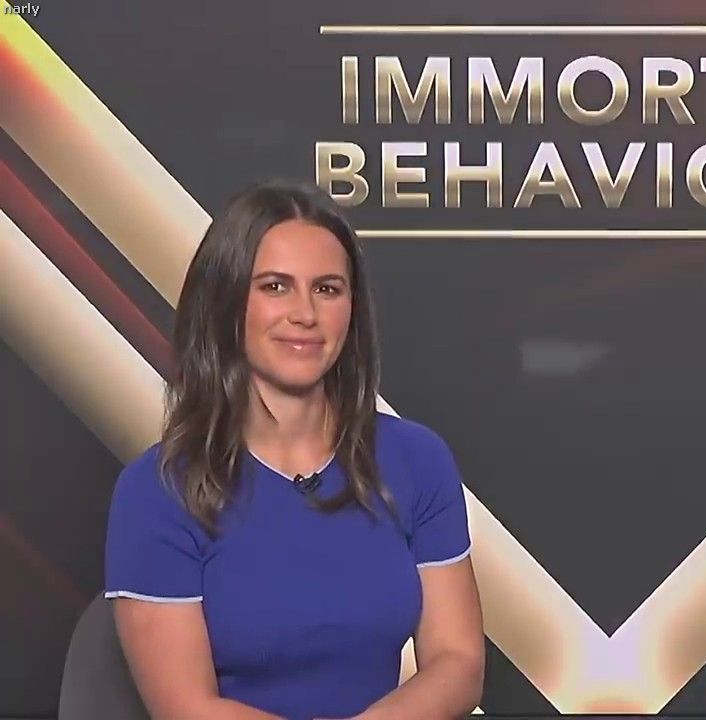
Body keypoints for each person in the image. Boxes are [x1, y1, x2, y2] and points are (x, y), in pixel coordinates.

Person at [104, 181, 485, 720]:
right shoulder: (158, 491)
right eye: (275, 286)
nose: (305, 313)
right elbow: (188, 708)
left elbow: (458, 663)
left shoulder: (417, 461)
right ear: (226, 302)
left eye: (327, 289)